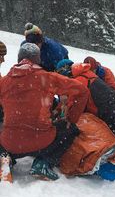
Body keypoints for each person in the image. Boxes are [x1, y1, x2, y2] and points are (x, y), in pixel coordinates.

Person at [0, 43, 89, 181]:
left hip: (11, 143)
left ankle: (6, 159)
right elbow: (82, 91)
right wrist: (71, 118)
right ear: (38, 59)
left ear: (19, 59)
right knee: (71, 129)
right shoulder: (47, 78)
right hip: (41, 142)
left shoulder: (4, 82)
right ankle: (44, 162)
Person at [56, 59, 115, 138]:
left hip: (113, 115)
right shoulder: (86, 74)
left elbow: (72, 103)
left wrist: (61, 116)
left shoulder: (80, 80)